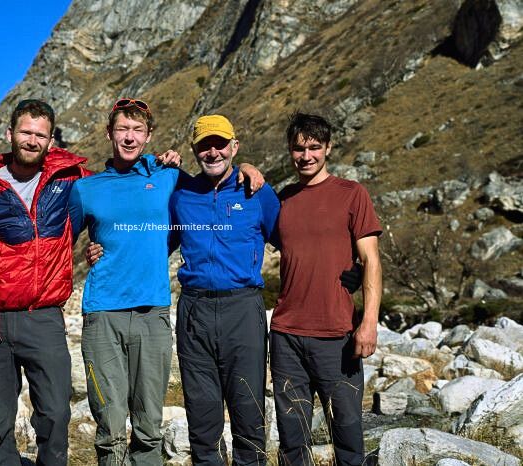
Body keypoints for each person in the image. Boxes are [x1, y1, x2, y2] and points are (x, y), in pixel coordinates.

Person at [69, 99, 264, 465]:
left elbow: (213, 183)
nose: (129, 137)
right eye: (122, 129)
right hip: (102, 314)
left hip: (153, 313)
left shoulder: (168, 176)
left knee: (148, 427)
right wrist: (85, 253)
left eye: (137, 130)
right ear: (110, 133)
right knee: (109, 426)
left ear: (148, 136)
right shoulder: (87, 189)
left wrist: (248, 167)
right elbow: (59, 241)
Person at [0, 99, 90, 465]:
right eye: (25, 132)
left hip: (44, 318)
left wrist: (160, 164)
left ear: (51, 140)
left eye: (41, 134)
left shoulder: (70, 180)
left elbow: (119, 190)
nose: (32, 140)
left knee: (55, 416)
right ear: (10, 134)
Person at [270, 112, 382, 466]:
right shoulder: (282, 199)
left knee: (348, 433)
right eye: (299, 149)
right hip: (286, 335)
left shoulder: (352, 194)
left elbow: (372, 262)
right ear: (290, 151)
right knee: (291, 437)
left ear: (328, 148)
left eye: (314, 147)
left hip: (338, 335)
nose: (307, 156)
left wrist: (369, 322)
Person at [168, 115, 279, 465]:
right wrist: (101, 247)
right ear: (194, 150)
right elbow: (156, 244)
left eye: (220, 144)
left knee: (248, 414)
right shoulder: (181, 195)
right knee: (202, 419)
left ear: (234, 146)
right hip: (194, 312)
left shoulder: (257, 191)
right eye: (204, 145)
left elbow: (294, 243)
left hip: (243, 309)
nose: (212, 151)